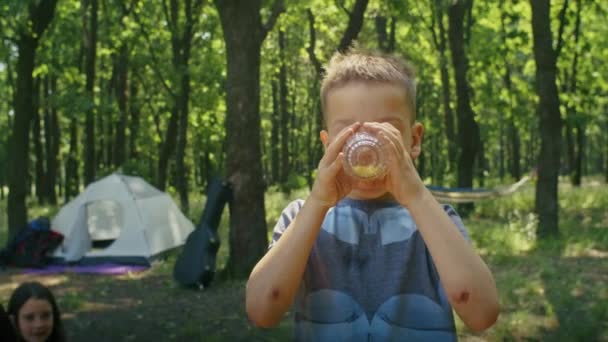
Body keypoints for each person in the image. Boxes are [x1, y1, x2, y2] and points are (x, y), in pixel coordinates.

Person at [246, 49, 500, 340]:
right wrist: (317, 203)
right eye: (348, 132)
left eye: (386, 130)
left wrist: (417, 196)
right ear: (328, 143)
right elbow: (262, 310)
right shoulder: (300, 218)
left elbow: (482, 314)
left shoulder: (437, 221)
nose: (366, 147)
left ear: (414, 140)